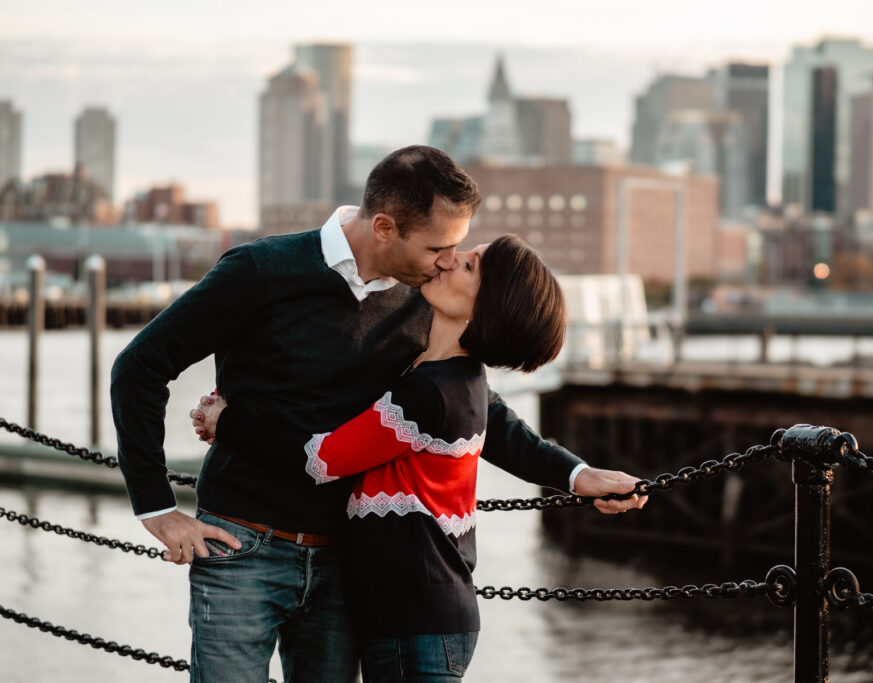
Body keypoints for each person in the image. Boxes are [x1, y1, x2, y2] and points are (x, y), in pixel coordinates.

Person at [110, 145, 646, 683]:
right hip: (241, 545)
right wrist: (157, 508)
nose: (447, 261)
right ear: (385, 228)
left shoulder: (427, 299)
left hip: (348, 565)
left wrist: (574, 474)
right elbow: (140, 367)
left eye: (457, 248)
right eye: (438, 247)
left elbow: (479, 411)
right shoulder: (260, 270)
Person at [194, 234, 598, 681]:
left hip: (416, 623)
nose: (452, 258)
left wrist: (228, 424)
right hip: (415, 617)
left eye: (470, 266)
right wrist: (577, 475)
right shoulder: (450, 374)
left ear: (486, 310)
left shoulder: (431, 391)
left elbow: (321, 460)